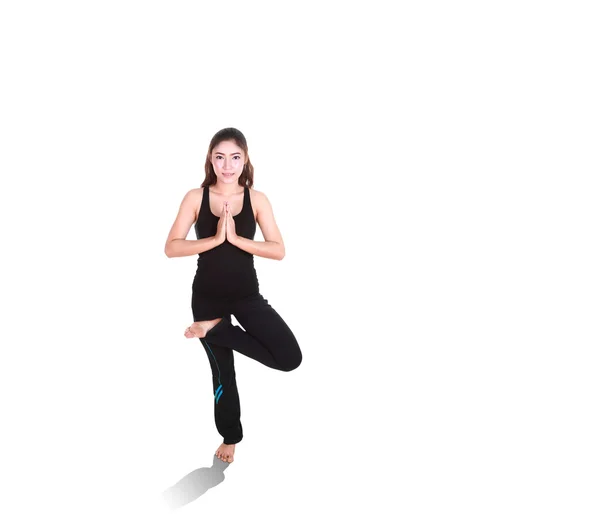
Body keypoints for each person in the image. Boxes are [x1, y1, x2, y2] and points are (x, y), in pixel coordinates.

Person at [164, 127, 302, 464]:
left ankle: (216, 329)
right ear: (211, 159)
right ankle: (230, 437)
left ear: (245, 160)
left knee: (289, 358)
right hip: (207, 299)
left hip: (246, 296)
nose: (228, 165)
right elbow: (171, 247)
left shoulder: (257, 199)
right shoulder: (196, 198)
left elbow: (279, 249)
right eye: (220, 157)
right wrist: (214, 240)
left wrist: (237, 239)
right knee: (223, 372)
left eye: (235, 157)